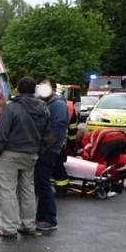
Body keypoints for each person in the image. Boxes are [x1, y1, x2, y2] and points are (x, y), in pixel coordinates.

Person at [0, 76, 51, 238]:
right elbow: (47, 135)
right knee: (28, 190)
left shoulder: (12, 108)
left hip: (9, 154)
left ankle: (9, 228)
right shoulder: (44, 108)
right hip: (31, 154)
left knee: (7, 191)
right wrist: (39, 150)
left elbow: (2, 133)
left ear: (18, 89)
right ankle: (28, 224)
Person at [34, 77, 68, 232]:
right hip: (45, 149)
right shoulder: (48, 103)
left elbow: (57, 130)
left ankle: (50, 219)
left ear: (53, 89)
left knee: (43, 184)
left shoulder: (58, 105)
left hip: (49, 150)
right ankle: (41, 217)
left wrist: (42, 147)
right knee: (40, 184)